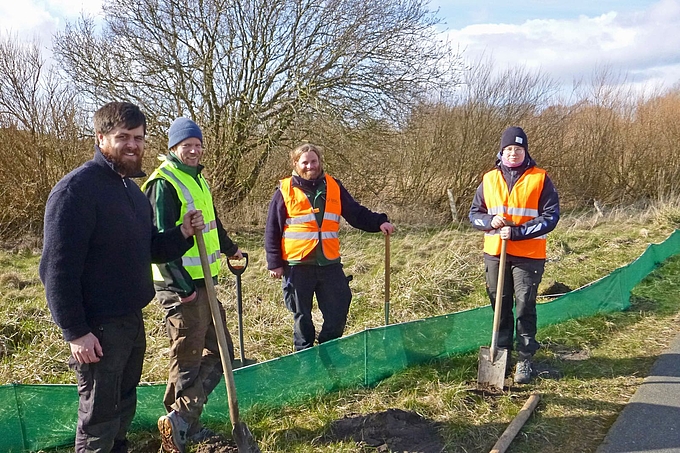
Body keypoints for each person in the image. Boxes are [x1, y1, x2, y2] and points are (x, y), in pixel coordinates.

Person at [39, 102, 204, 453]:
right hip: (97, 328)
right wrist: (76, 332)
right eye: (123, 137)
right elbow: (56, 270)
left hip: (130, 320)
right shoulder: (76, 192)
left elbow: (149, 250)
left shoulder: (131, 192)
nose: (133, 145)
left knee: (123, 407)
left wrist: (183, 232)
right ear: (101, 138)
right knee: (99, 415)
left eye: (140, 138)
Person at [142, 117, 244, 453]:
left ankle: (182, 420)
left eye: (198, 145)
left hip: (206, 282)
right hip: (180, 287)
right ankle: (181, 425)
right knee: (187, 357)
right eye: (187, 145)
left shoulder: (198, 179)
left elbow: (213, 220)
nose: (194, 150)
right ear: (173, 148)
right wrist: (182, 287)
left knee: (222, 353)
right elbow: (157, 242)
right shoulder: (164, 184)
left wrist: (231, 250)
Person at [265, 143, 395, 351]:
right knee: (302, 317)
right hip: (297, 264)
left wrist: (379, 222)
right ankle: (305, 359)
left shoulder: (333, 186)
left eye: (313, 161)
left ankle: (327, 350)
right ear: (296, 163)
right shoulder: (285, 190)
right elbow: (272, 227)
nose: (310, 166)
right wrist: (274, 262)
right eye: (305, 162)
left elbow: (356, 213)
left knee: (339, 307)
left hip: (329, 263)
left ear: (320, 162)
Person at [469, 126, 560, 384]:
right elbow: (474, 215)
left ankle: (525, 358)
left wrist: (517, 232)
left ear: (525, 152)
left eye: (518, 149)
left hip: (528, 255)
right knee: (499, 305)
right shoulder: (488, 179)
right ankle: (501, 353)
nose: (513, 153)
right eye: (509, 149)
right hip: (496, 254)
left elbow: (550, 217)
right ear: (501, 151)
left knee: (524, 304)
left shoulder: (540, 179)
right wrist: (490, 221)